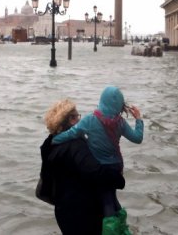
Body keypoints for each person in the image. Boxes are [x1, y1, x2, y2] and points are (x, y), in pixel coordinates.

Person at [52, 86, 143, 228]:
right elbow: (137, 138)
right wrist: (138, 119)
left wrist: (53, 140)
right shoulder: (120, 122)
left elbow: (71, 133)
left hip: (100, 168)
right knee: (112, 197)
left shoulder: (90, 120)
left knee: (106, 200)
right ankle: (122, 227)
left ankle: (111, 230)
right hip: (117, 166)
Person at [40, 99, 126, 235]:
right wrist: (119, 179)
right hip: (83, 213)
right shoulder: (75, 145)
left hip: (63, 211)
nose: (80, 120)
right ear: (71, 119)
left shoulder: (49, 144)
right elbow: (96, 171)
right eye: (77, 116)